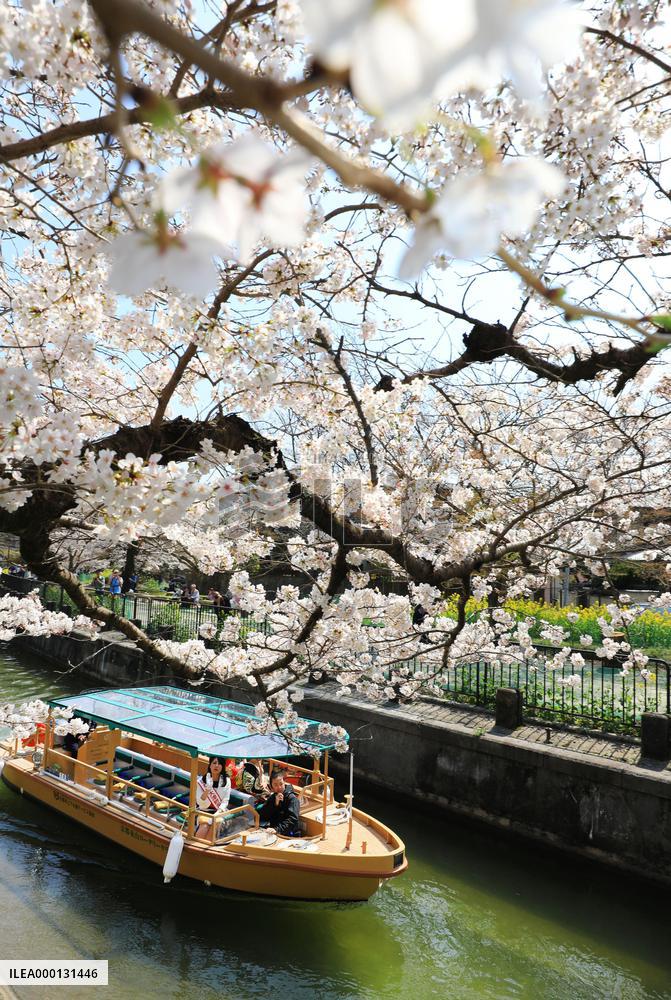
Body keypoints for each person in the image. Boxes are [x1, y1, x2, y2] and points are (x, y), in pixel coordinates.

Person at [195, 756, 231, 840]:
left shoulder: (226, 781)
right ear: (210, 765)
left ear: (222, 767)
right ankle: (198, 847)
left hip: (219, 811)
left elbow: (225, 801)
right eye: (214, 763)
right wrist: (207, 789)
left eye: (219, 764)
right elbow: (200, 802)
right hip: (204, 811)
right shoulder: (200, 781)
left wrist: (217, 813)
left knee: (215, 823)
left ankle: (205, 849)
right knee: (204, 825)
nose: (216, 766)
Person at [258, 770, 301, 836]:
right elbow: (263, 816)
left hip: (289, 834)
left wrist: (277, 829)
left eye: (281, 784)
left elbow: (293, 819)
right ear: (271, 786)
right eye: (275, 785)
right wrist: (275, 804)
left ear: (284, 783)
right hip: (273, 832)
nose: (279, 787)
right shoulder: (273, 797)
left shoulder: (292, 799)